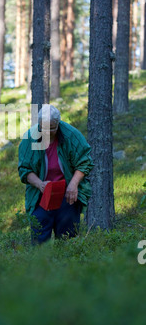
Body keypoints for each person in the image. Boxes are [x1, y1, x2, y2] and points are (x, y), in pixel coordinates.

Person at [18, 104, 95, 244]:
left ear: (58, 123)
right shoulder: (29, 138)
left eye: (52, 128)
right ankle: (41, 265)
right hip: (40, 195)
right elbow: (24, 169)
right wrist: (40, 184)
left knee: (67, 239)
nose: (47, 132)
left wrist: (73, 185)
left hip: (67, 194)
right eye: (43, 128)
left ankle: (67, 264)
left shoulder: (71, 135)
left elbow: (85, 162)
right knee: (39, 240)